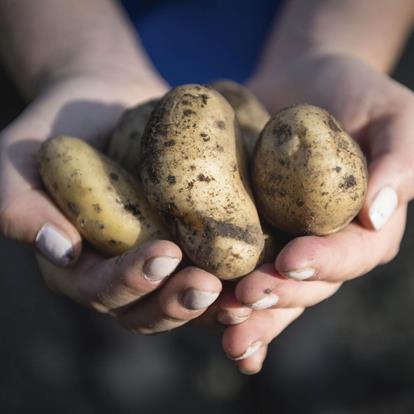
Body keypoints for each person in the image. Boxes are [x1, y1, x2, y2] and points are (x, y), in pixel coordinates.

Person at [0, 0, 413, 378]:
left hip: (288, 38)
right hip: (71, 36)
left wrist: (339, 45)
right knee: (127, 309)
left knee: (292, 290)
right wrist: (70, 59)